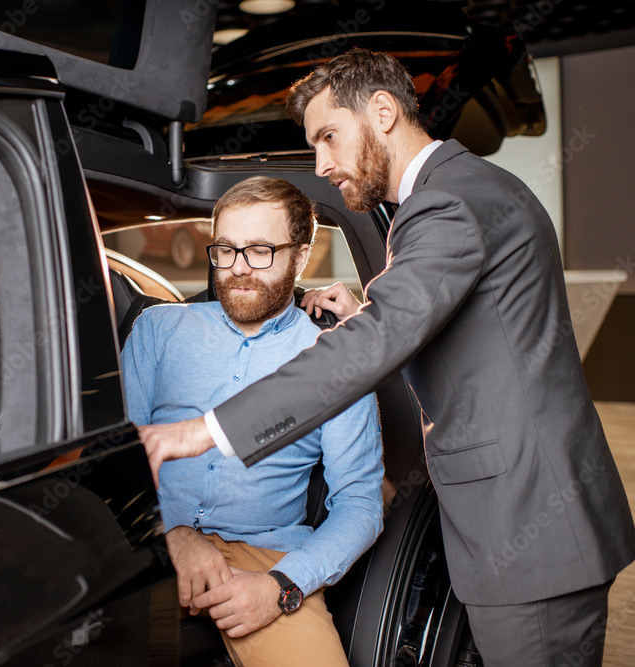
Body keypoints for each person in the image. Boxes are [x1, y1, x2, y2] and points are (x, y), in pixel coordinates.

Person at [138, 48, 635, 667]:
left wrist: (208, 429)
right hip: (538, 514)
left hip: (528, 529)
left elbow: (373, 349)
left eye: (328, 138)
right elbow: (460, 333)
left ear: (381, 111)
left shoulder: (445, 202)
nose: (321, 165)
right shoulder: (462, 190)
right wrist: (365, 313)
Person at [122, 176, 384, 666]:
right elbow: (115, 457)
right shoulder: (159, 329)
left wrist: (281, 587)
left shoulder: (336, 359)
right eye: (226, 249)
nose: (239, 270)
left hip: (267, 560)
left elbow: (360, 506)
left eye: (260, 250)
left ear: (301, 256)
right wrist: (171, 533)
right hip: (146, 543)